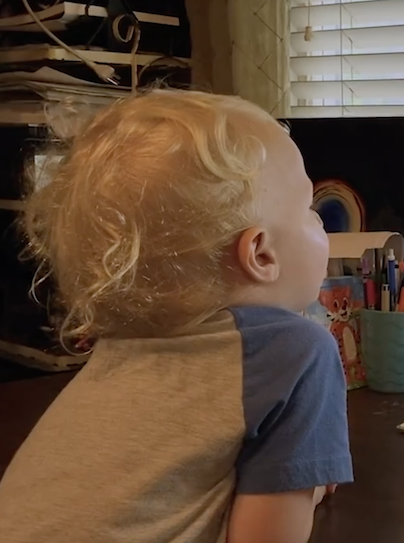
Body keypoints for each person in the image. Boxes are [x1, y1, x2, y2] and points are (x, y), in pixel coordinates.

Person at [0, 90, 353, 543]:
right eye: (308, 208)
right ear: (261, 254)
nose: (320, 222)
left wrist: (293, 481)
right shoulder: (300, 352)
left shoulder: (125, 348)